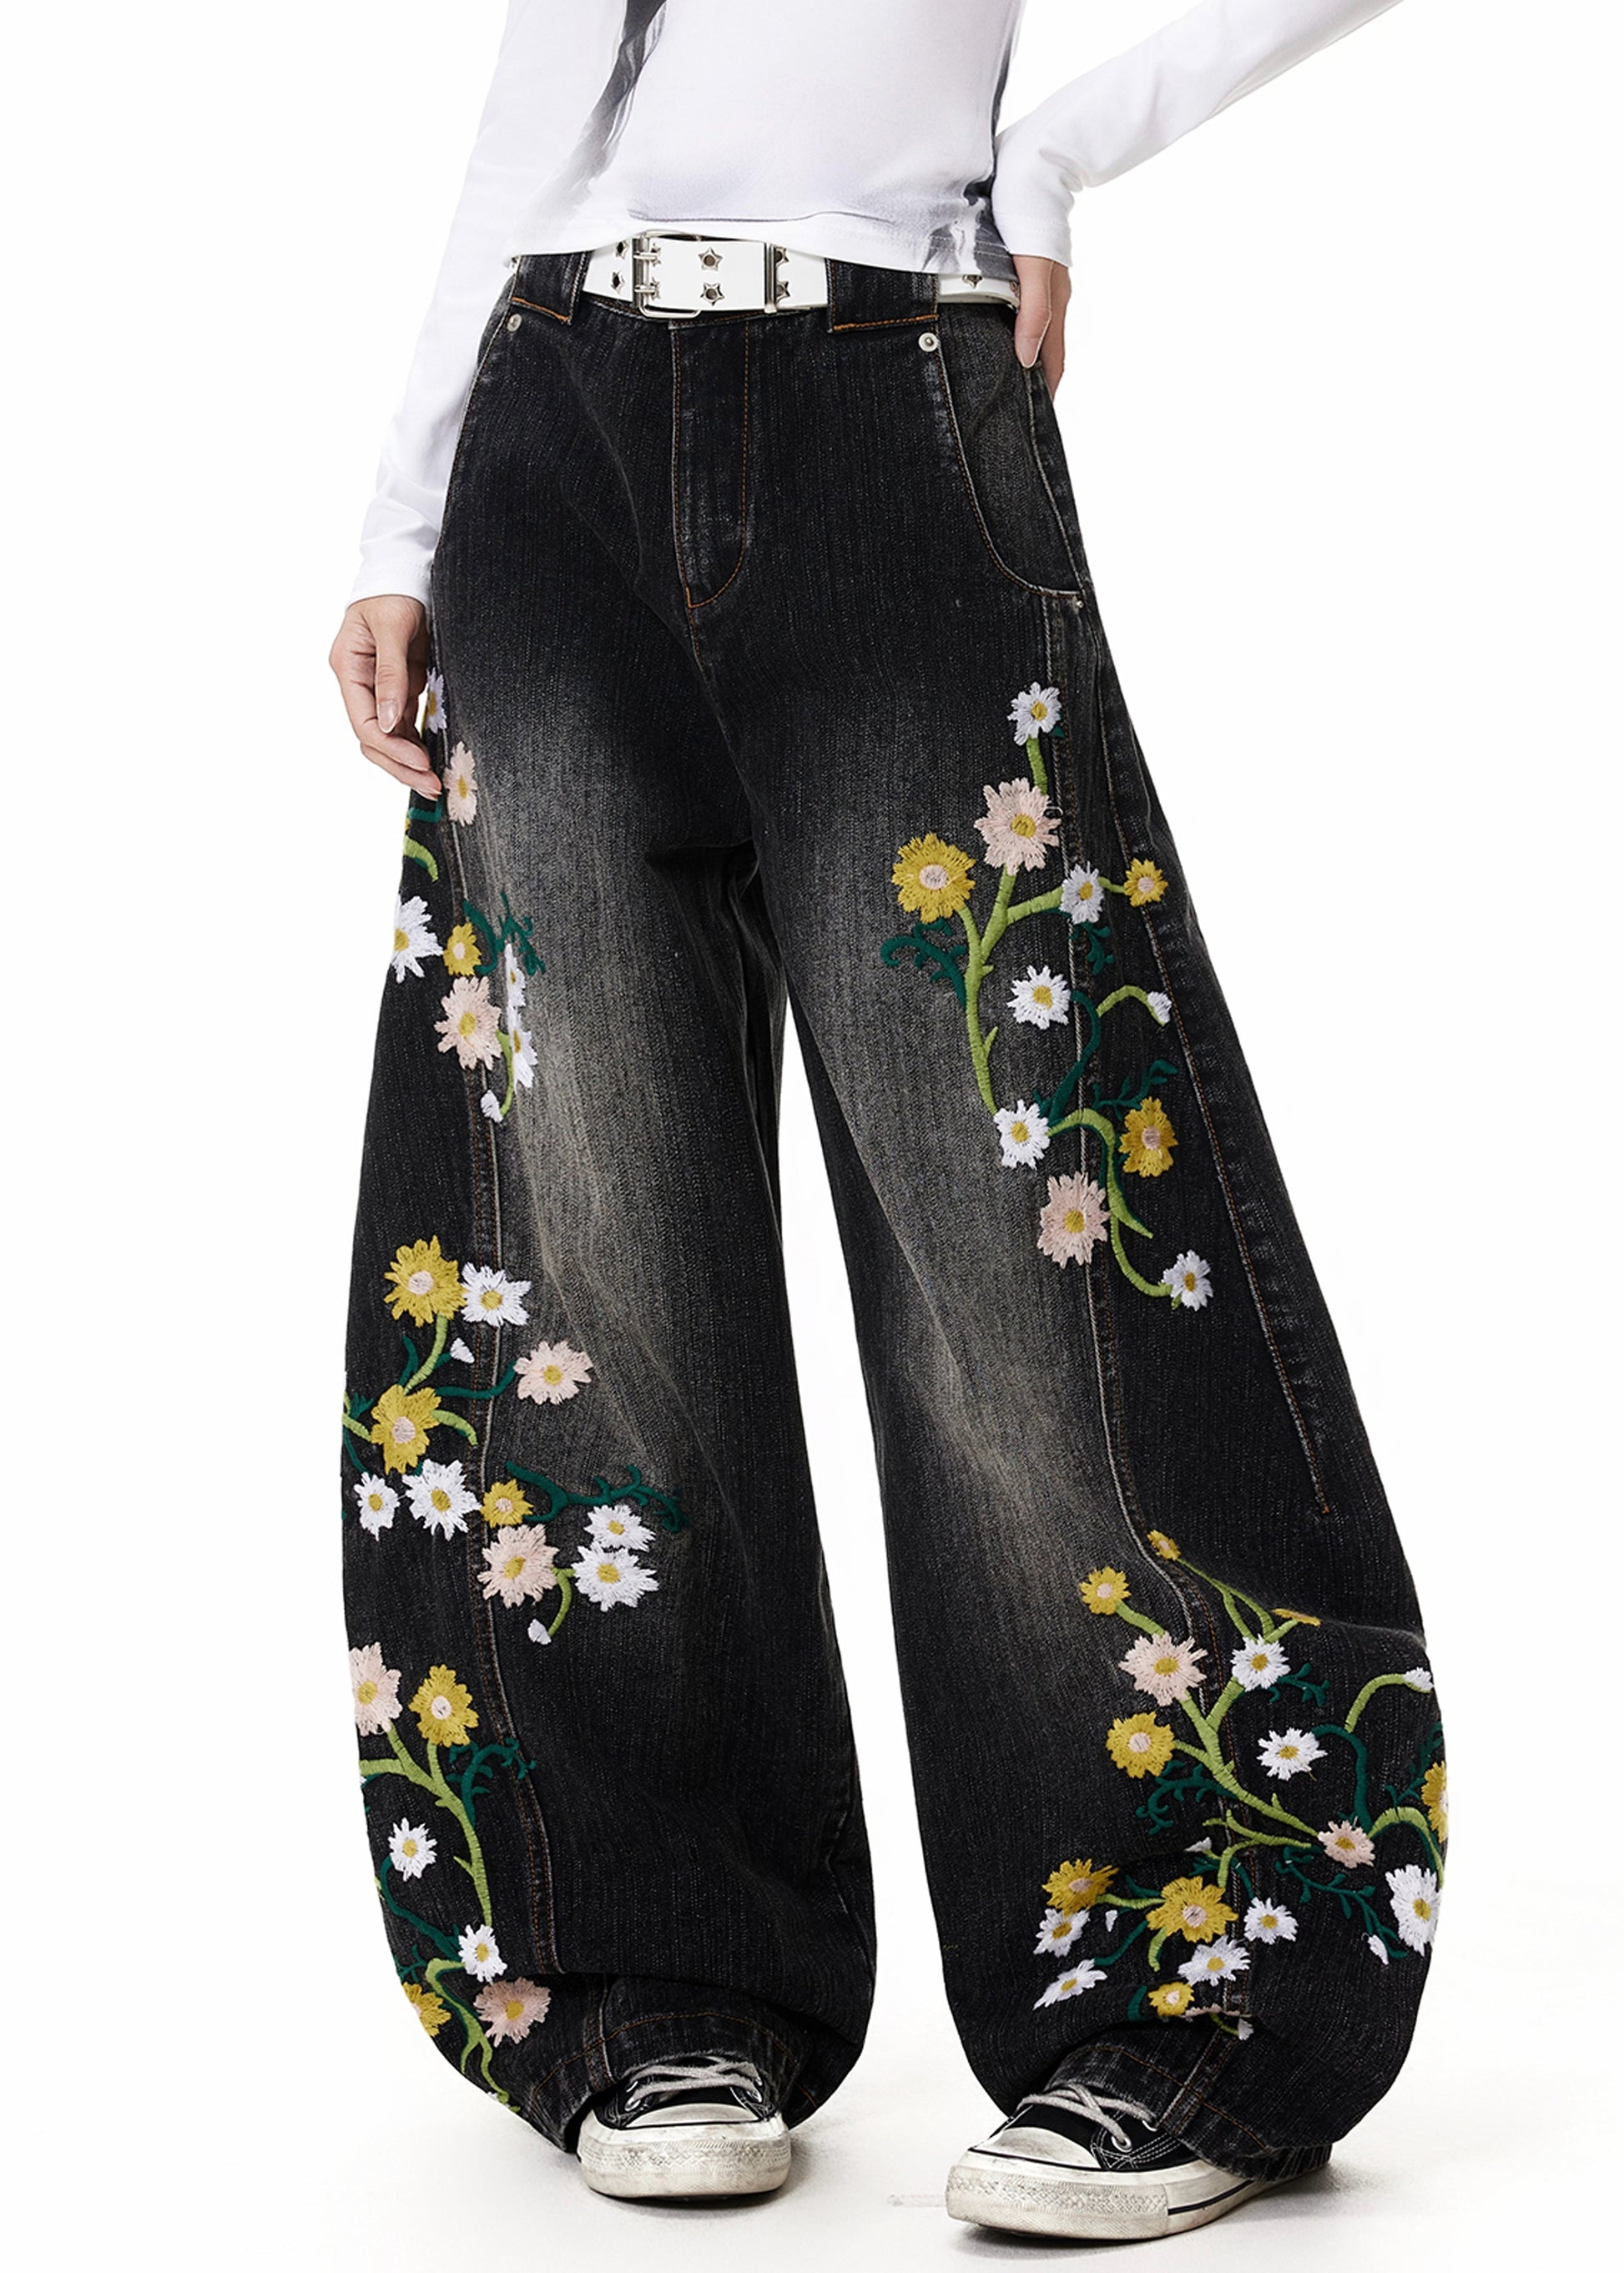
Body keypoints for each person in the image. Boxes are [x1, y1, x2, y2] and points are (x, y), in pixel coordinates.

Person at [330, 1, 1445, 2243]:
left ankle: (1191, 1998)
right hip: (558, 413)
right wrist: (409, 505)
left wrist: (1052, 156)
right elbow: (554, 85)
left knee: (1031, 1217)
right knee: (581, 1232)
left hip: (892, 394)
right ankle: (657, 1971)